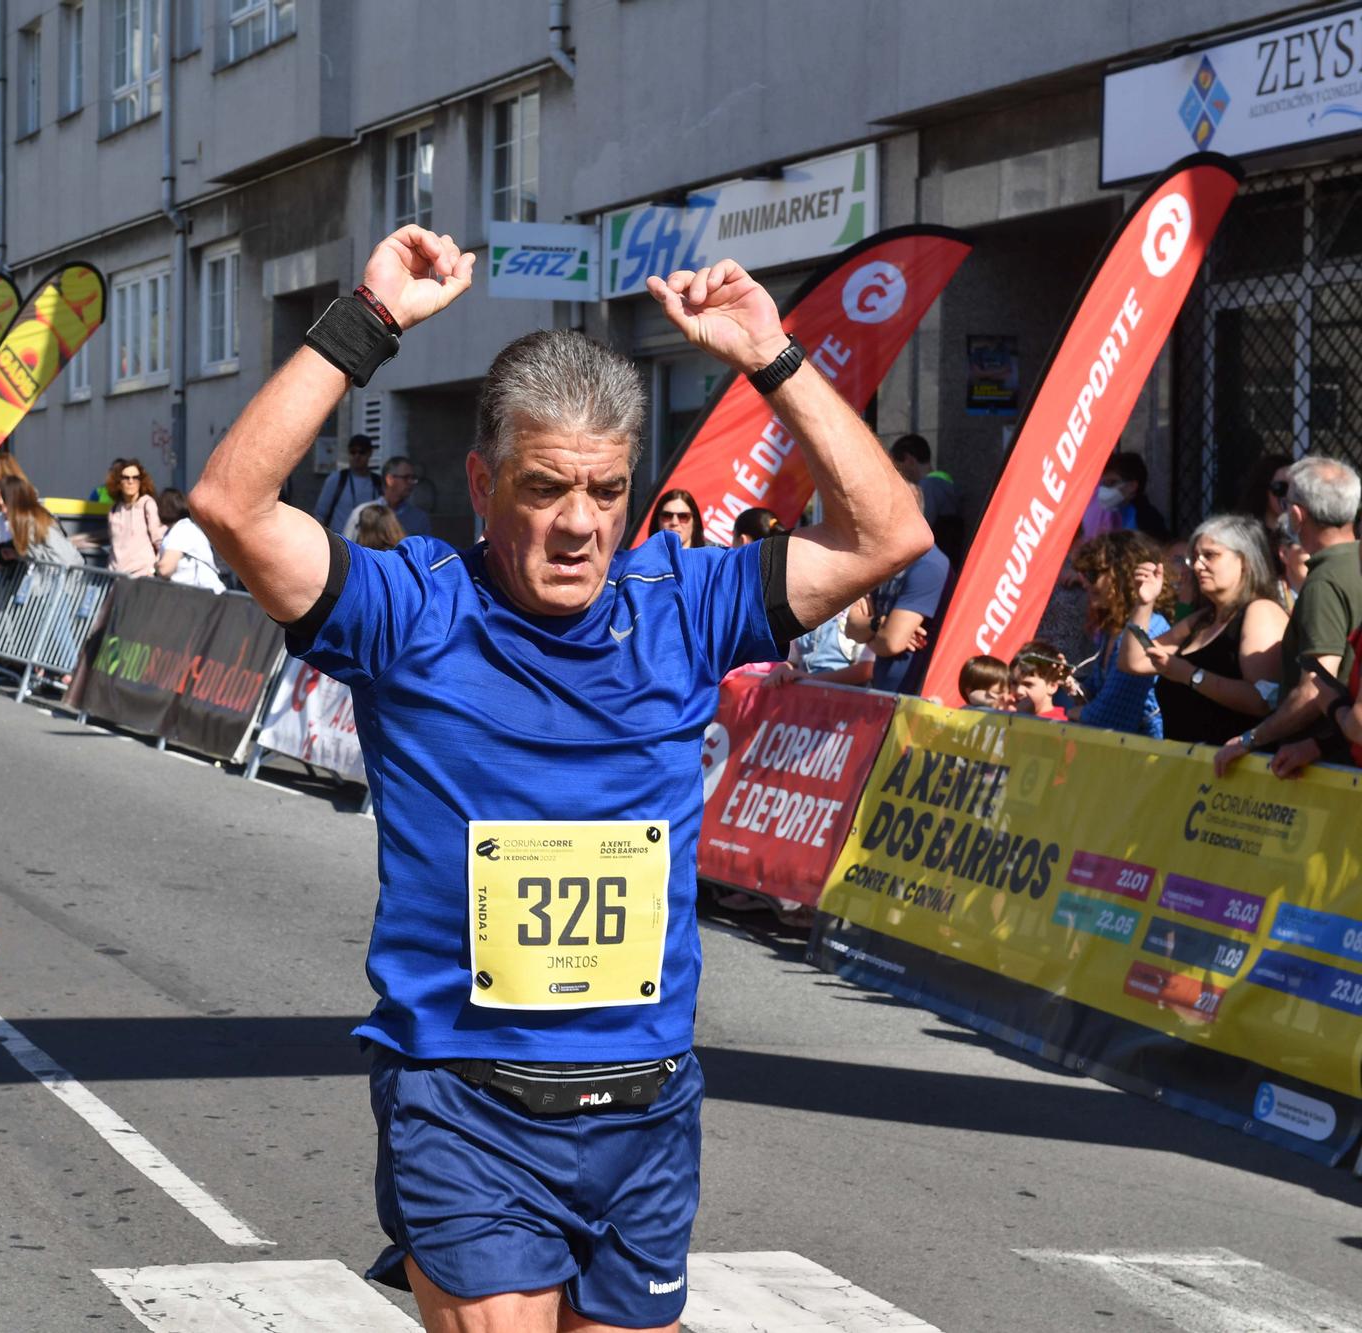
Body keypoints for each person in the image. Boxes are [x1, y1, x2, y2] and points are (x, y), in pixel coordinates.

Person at [188, 223, 930, 1333]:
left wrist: (771, 357)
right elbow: (230, 505)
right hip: (467, 1103)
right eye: (544, 488)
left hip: (645, 1107)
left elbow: (887, 533)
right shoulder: (412, 610)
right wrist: (369, 319)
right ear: (483, 482)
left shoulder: (683, 606)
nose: (580, 525)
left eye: (605, 490)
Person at [1214, 455, 1362, 778]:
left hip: (1330, 771)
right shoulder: (1349, 565)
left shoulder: (1324, 581)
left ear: (1296, 515)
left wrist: (1251, 739)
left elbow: (1315, 688)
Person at [1119, 514, 1287, 746]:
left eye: (1210, 555)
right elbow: (1133, 662)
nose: (1197, 566)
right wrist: (1144, 604)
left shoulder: (1261, 612)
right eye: (1195, 558)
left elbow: (1263, 701)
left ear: (1244, 560)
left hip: (1234, 764)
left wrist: (1189, 674)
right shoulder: (1202, 620)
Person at [844, 484, 948, 696]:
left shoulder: (929, 566)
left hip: (914, 697)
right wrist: (880, 624)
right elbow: (852, 629)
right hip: (884, 692)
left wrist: (876, 631)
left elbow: (891, 643)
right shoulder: (884, 564)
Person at [1068, 529, 1170, 738]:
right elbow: (1098, 693)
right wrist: (1069, 683)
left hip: (1146, 752)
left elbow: (1110, 716)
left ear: (1122, 575)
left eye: (1092, 574)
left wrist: (1073, 713)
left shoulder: (1150, 629)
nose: (1085, 582)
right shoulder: (1114, 629)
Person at [888, 433, 963, 562]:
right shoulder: (944, 481)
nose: (897, 474)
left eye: (896, 466)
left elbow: (919, 531)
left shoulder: (929, 486)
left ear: (909, 460)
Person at [0, 473, 81, 566]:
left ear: (11, 499)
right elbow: (39, 555)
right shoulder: (23, 524)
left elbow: (67, 558)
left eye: (1, 499)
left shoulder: (35, 522)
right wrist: (16, 554)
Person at [156, 487, 225, 591]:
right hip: (195, 594)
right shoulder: (179, 528)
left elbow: (165, 569)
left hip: (205, 594)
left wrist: (154, 569)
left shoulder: (182, 530)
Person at [313, 434, 383, 534]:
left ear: (370, 453)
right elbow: (320, 514)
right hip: (339, 540)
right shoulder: (336, 479)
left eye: (362, 452)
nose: (357, 456)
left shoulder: (378, 482)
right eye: (353, 452)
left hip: (369, 541)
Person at [106, 457, 165, 575]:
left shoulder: (147, 503)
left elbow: (159, 540)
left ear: (141, 481)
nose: (131, 481)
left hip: (142, 574)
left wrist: (154, 570)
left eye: (135, 478)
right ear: (118, 482)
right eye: (126, 478)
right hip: (116, 575)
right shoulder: (114, 509)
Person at [1010, 641, 1072, 720]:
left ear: (1052, 686)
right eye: (1014, 683)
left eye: (1028, 684)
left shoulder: (1056, 724)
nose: (1018, 691)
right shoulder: (1006, 716)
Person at [380, 453, 431, 536]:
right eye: (406, 477)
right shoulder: (366, 513)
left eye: (413, 478)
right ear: (390, 479)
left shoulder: (419, 518)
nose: (411, 482)